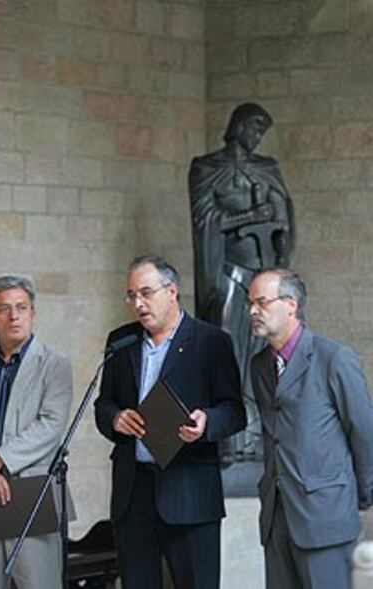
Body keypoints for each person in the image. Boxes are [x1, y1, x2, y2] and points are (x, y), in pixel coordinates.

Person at [94, 254, 246, 589]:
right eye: (131, 295)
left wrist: (206, 422)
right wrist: (115, 418)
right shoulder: (121, 342)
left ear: (172, 291)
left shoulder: (211, 342)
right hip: (133, 496)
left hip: (190, 493)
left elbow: (235, 411)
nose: (138, 303)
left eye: (146, 293)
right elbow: (103, 405)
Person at [248, 267, 373, 589]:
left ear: (291, 304)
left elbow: (364, 432)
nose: (252, 311)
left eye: (262, 302)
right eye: (250, 303)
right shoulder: (259, 366)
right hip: (276, 519)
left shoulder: (334, 359)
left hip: (325, 518)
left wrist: (355, 497)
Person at [189, 102, 295, 460]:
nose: (255, 137)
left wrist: (280, 261)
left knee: (263, 348)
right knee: (227, 346)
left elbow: (284, 219)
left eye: (261, 132)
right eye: (252, 129)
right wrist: (250, 215)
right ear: (236, 127)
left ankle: (257, 436)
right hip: (229, 273)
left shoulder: (267, 170)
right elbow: (206, 220)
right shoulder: (208, 168)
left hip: (262, 273)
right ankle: (228, 437)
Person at [0, 275, 73, 589]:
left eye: (22, 307)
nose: (14, 316)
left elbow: (51, 425)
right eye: (4, 309)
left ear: (32, 313)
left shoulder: (55, 364)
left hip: (32, 497)